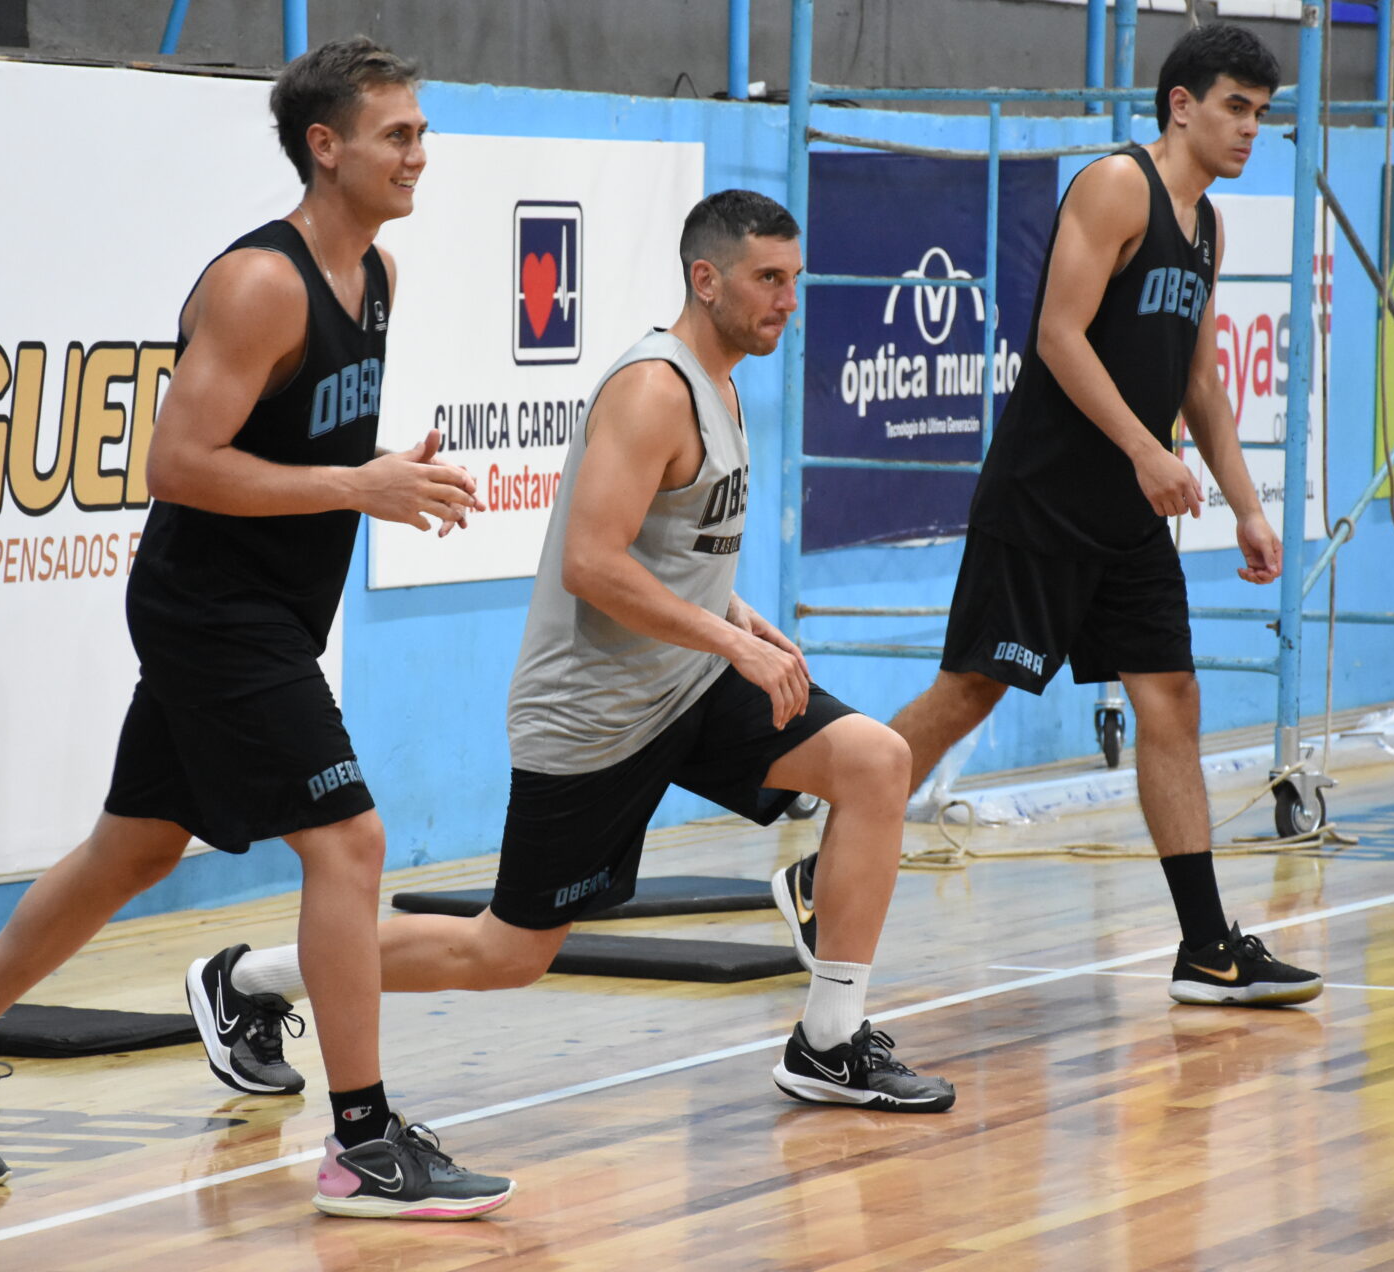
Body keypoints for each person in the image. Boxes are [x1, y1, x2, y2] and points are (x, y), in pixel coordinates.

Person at [0, 37, 514, 1221]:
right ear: (327, 146)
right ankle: (362, 1145)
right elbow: (179, 464)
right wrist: (356, 490)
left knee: (137, 847)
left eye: (421, 131)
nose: (421, 154)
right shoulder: (261, 283)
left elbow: (297, 446)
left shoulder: (381, 276)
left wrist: (374, 469)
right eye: (397, 134)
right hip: (213, 610)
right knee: (350, 846)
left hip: (265, 610)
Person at [189, 189, 955, 1115]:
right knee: (506, 954)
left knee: (877, 761)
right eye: (768, 279)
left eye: (794, 279)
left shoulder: (722, 378)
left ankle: (830, 1040)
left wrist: (734, 613)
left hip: (690, 681)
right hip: (595, 715)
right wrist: (724, 635)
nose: (787, 299)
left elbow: (662, 543)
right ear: (704, 279)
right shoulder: (653, 388)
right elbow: (592, 562)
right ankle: (251, 978)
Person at [881, 23, 1323, 1007]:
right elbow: (1058, 336)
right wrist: (1141, 449)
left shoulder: (1209, 224)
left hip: (1127, 522)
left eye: (1262, 112)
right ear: (1181, 104)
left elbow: (1202, 381)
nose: (1251, 129)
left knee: (1172, 699)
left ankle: (1208, 946)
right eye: (1235, 108)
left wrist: (1248, 507)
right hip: (1043, 500)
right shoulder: (1117, 186)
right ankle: (829, 871)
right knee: (968, 695)